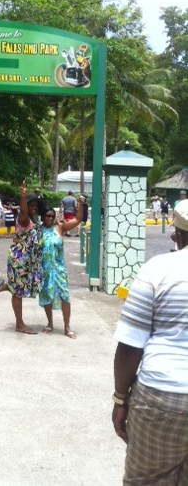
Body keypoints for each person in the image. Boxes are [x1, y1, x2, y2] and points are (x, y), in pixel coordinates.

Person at [112, 198, 188, 484]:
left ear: (177, 235)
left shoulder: (158, 269)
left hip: (161, 396)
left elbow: (131, 344)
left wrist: (121, 399)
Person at [0, 182, 44, 335]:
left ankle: (5, 287)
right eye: (30, 205)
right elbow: (24, 211)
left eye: (35, 205)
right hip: (20, 260)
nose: (34, 207)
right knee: (18, 292)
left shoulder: (34, 220)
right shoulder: (23, 218)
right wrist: (23, 197)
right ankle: (19, 324)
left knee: (20, 289)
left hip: (26, 261)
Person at [39, 197, 84, 339]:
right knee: (47, 296)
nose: (50, 218)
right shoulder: (38, 230)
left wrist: (81, 204)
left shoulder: (60, 227)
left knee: (65, 296)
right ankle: (50, 323)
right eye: (47, 216)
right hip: (44, 270)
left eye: (52, 216)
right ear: (42, 217)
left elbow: (78, 219)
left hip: (59, 269)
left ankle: (67, 327)